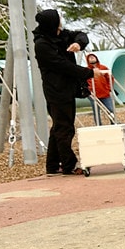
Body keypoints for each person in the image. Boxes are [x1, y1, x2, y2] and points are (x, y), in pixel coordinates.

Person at [32, 9, 95, 176]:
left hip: (67, 88)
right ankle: (69, 165)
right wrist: (88, 72)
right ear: (52, 23)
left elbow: (81, 35)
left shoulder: (61, 35)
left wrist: (79, 44)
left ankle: (52, 165)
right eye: (58, 19)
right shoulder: (42, 45)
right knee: (64, 128)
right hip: (56, 91)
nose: (61, 21)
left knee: (59, 127)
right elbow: (62, 65)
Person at [84, 53, 114, 126]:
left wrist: (109, 88)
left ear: (96, 58)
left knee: (110, 109)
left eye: (93, 57)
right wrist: (89, 91)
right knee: (96, 112)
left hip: (105, 93)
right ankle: (99, 125)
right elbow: (84, 82)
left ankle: (114, 123)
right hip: (93, 95)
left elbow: (110, 78)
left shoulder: (103, 68)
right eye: (90, 58)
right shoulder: (86, 70)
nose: (92, 58)